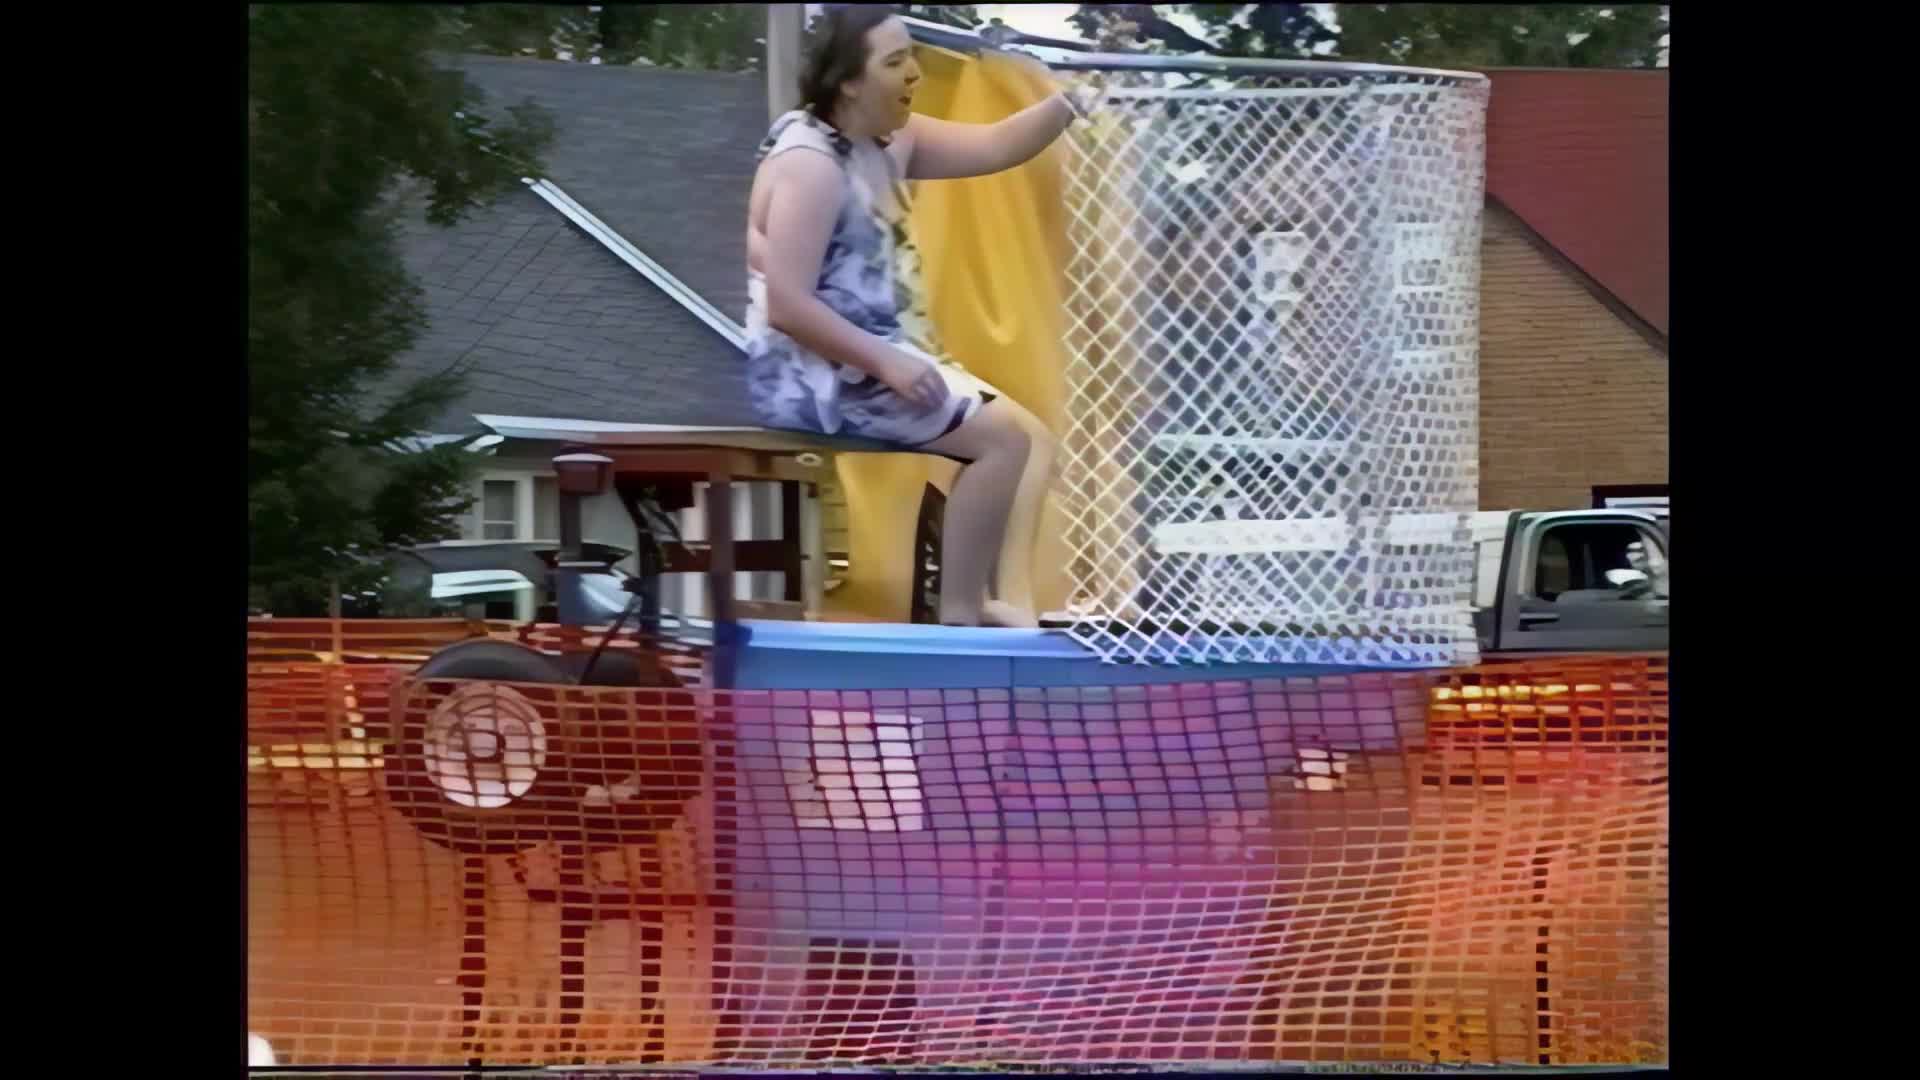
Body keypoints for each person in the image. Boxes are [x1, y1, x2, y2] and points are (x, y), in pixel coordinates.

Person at [744, 7, 1094, 627]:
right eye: (895, 61)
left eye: (912, 56)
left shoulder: (885, 140)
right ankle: (961, 611)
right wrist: (889, 363)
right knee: (1004, 441)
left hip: (866, 355)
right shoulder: (811, 165)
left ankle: (1006, 604)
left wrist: (1071, 102)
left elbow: (996, 145)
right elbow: (788, 304)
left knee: (1032, 442)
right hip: (812, 373)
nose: (914, 74)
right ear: (849, 82)